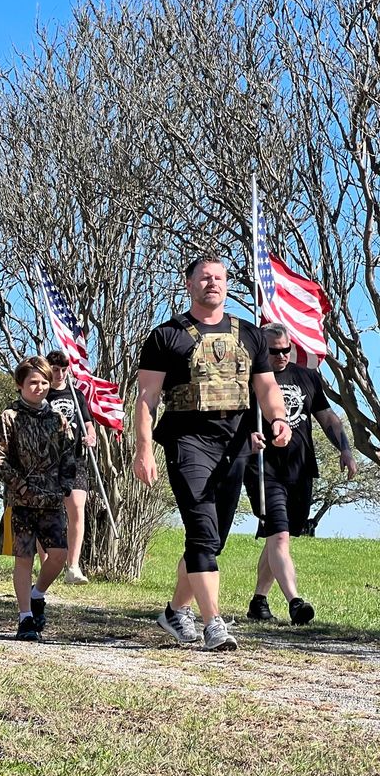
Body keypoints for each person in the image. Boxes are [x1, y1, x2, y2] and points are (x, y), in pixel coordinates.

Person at [134, 255, 292, 652]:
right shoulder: (166, 336)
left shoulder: (250, 335)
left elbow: (267, 388)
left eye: (219, 278)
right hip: (187, 441)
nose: (213, 283)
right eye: (205, 278)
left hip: (235, 444)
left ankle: (174, 611)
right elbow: (147, 398)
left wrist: (278, 420)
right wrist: (143, 450)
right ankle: (213, 624)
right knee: (202, 531)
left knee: (213, 539)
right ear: (189, 284)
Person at [245, 323, 356, 626]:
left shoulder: (307, 376)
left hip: (300, 468)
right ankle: (295, 602)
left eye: (285, 350)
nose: (281, 356)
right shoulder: (250, 379)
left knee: (277, 537)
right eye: (273, 351)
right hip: (263, 468)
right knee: (279, 535)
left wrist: (344, 449)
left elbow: (327, 417)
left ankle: (258, 601)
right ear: (260, 350)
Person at [0, 356, 76, 642]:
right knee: (24, 559)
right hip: (21, 501)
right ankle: (25, 618)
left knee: (59, 555)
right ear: (20, 385)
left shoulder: (57, 419)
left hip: (52, 499)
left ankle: (37, 593)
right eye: (33, 382)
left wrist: (65, 485)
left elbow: (69, 454)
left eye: (44, 382)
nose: (39, 387)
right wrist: (22, 487)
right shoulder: (9, 417)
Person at [44, 350, 97, 585]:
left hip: (75, 459)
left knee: (77, 507)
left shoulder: (77, 395)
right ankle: (46, 562)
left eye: (64, 369)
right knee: (46, 512)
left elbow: (89, 424)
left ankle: (73, 566)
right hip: (47, 461)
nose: (59, 373)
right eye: (55, 369)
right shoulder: (41, 393)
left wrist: (91, 436)